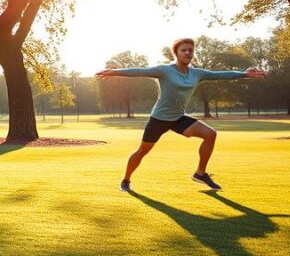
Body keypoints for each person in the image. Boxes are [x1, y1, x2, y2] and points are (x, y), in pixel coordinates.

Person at [96, 38, 265, 193]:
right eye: (184, 50)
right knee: (142, 151)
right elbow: (140, 71)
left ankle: (200, 173)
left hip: (178, 118)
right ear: (175, 53)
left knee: (210, 134)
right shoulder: (165, 70)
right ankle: (126, 180)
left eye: (190, 50)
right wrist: (114, 72)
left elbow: (220, 74)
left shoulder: (196, 73)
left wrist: (244, 74)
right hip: (159, 119)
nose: (187, 53)